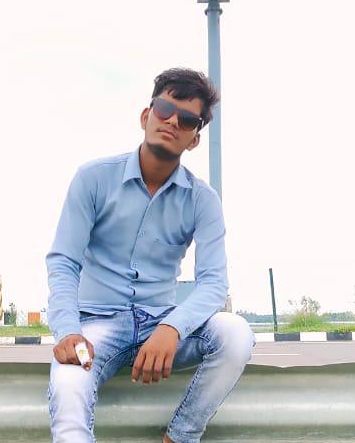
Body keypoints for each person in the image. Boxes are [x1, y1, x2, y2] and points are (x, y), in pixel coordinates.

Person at [45, 67, 256, 443]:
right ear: (146, 116)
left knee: (236, 333)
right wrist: (68, 330)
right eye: (165, 109)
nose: (173, 121)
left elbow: (213, 283)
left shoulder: (202, 200)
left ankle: (180, 436)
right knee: (68, 383)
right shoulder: (93, 179)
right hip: (96, 327)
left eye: (187, 120)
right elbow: (64, 261)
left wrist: (172, 328)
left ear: (194, 139)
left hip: (162, 324)